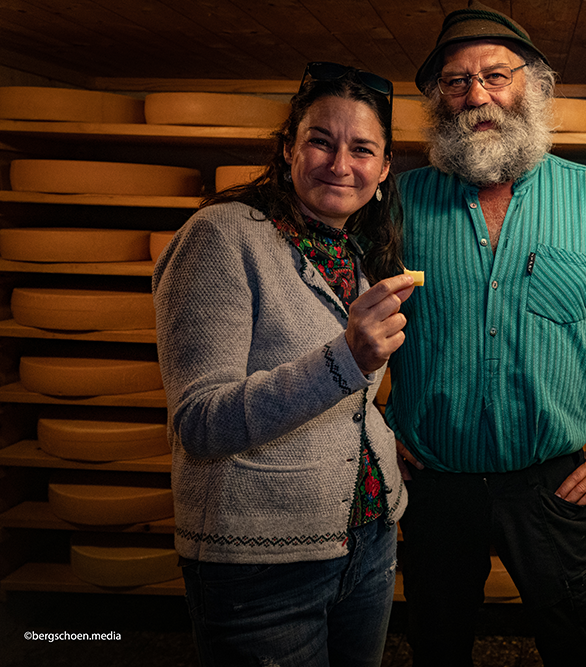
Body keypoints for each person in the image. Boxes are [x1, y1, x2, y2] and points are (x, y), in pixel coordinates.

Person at [386, 3, 586, 665]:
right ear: (439, 99)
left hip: (553, 483)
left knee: (576, 639)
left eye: (496, 75)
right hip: (434, 481)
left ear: (535, 87)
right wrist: (366, 429)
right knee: (436, 642)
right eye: (457, 82)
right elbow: (341, 321)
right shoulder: (398, 203)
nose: (477, 96)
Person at [152, 62, 414, 667]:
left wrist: (380, 442)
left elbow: (345, 404)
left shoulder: (353, 251)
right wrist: (346, 360)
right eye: (320, 140)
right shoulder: (221, 236)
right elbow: (199, 422)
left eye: (362, 149)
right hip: (262, 566)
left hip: (368, 539)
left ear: (382, 170)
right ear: (289, 147)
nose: (339, 164)